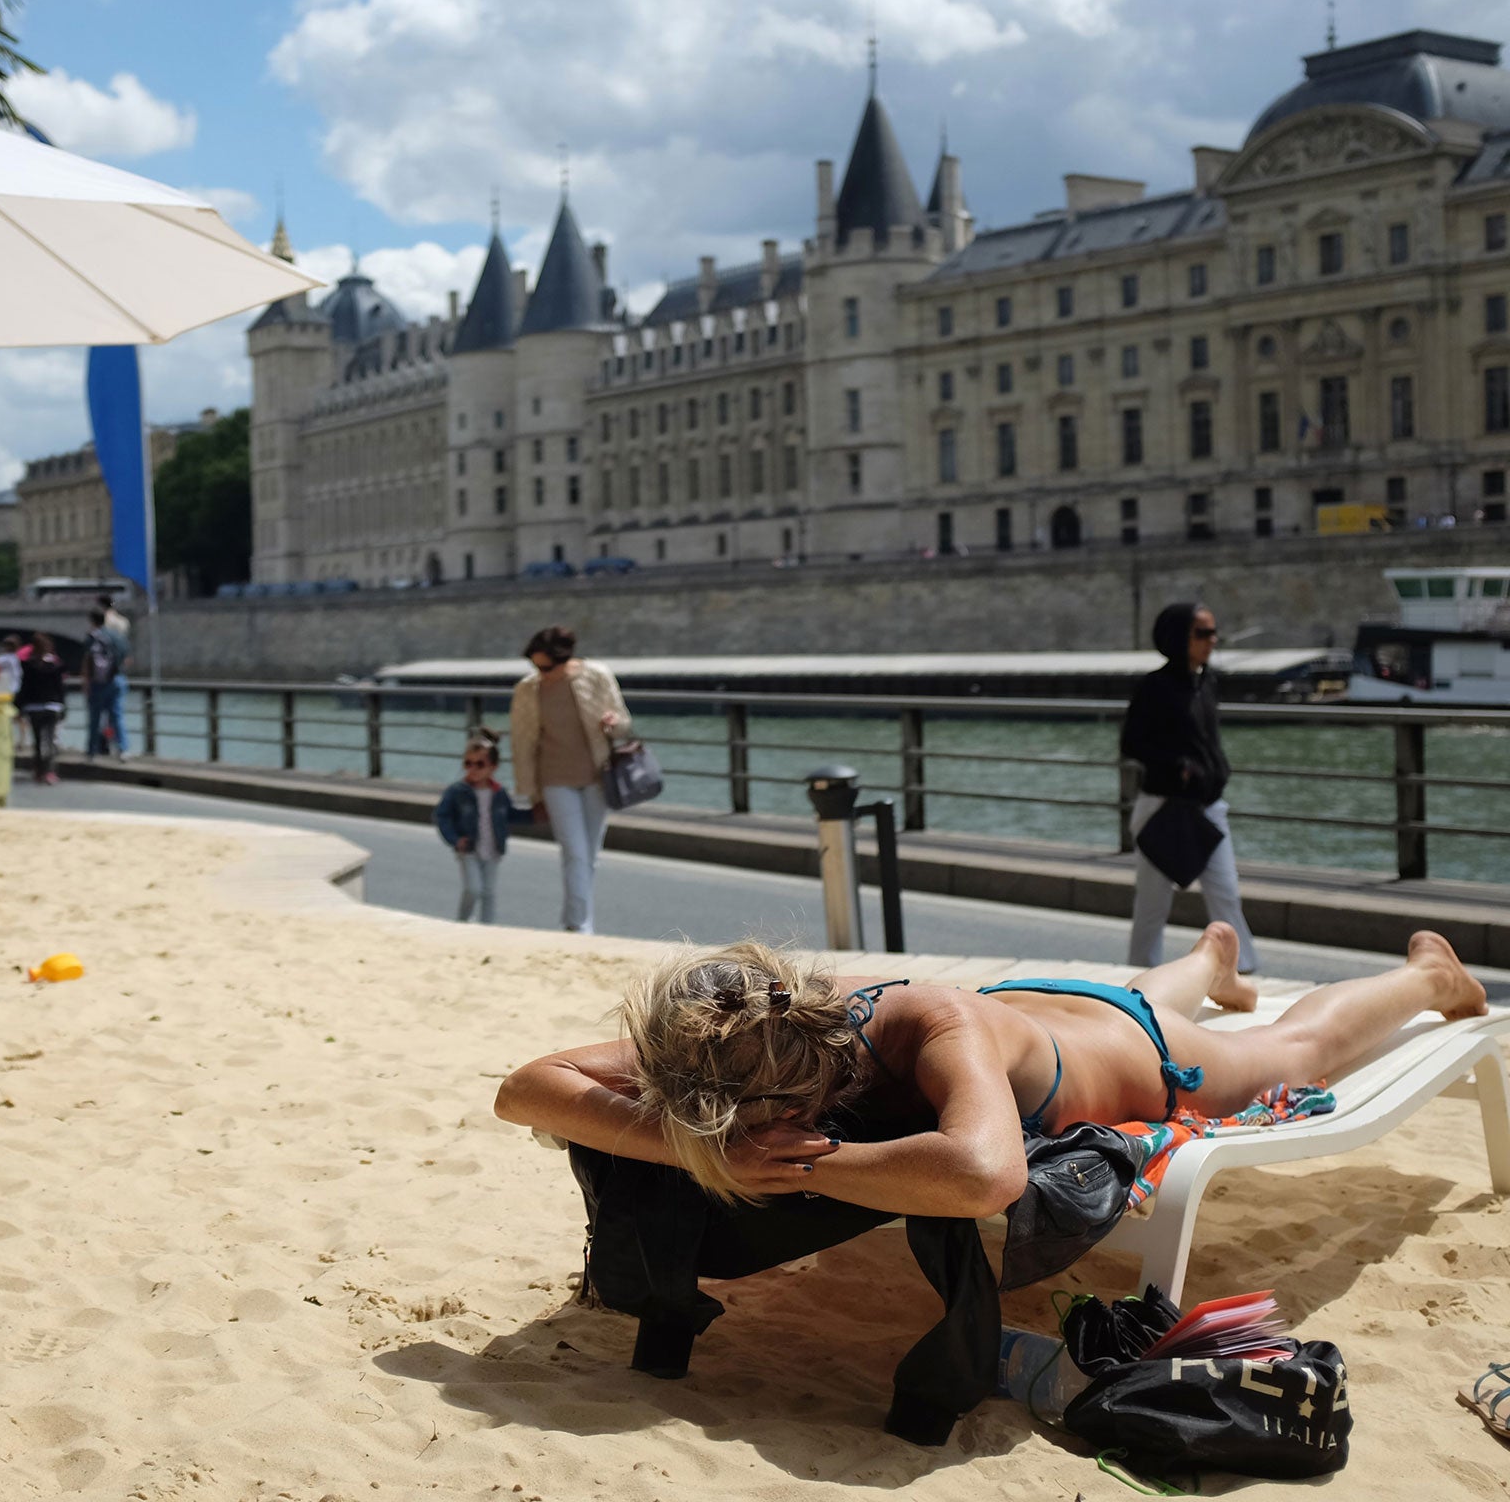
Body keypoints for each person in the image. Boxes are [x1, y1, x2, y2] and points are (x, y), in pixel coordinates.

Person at [496, 928, 1488, 1427]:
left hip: (1131, 1051)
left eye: (761, 1126)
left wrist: (824, 1162)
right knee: (1126, 995)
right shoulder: (750, 1027)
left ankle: (1427, 977)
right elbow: (525, 1087)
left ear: (805, 1095)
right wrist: (706, 1149)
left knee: (1289, 1044)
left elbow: (982, 1174)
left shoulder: (925, 1028)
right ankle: (1205, 958)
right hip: (1032, 1008)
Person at [1121, 602, 1256, 972]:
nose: (1212, 640)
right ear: (1178, 637)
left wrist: (1216, 769)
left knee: (1226, 893)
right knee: (1152, 905)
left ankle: (1242, 970)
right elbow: (1132, 744)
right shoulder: (1154, 687)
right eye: (1202, 633)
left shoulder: (1207, 681)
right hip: (1163, 809)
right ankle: (1139, 974)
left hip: (1207, 808)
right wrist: (1177, 765)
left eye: (1214, 632)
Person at [508, 625, 630, 933]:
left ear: (565, 659)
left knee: (589, 856)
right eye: (536, 666)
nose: (541, 672)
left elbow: (623, 723)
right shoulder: (528, 689)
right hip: (555, 779)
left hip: (598, 778)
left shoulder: (596, 676)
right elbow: (521, 743)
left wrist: (613, 723)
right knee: (574, 852)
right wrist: (530, 793)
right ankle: (578, 927)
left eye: (546, 666)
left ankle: (577, 920)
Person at [433, 728, 513, 924]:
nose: (473, 769)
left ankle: (487, 929)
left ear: (493, 767)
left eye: (480, 764)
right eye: (468, 763)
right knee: (473, 888)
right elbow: (442, 816)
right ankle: (462, 921)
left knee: (489, 892)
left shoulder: (499, 793)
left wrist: (536, 814)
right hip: (468, 847)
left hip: (493, 847)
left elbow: (510, 815)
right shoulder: (457, 791)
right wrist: (454, 839)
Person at [15, 633, 65, 785]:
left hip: (34, 707)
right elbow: (60, 688)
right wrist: (63, 706)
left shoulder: (29, 666)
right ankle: (49, 771)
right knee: (49, 740)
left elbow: (25, 688)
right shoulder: (55, 665)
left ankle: (38, 771)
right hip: (52, 706)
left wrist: (18, 705)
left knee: (37, 742)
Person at [83, 608, 127, 758]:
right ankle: (122, 749)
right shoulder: (117, 636)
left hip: (97, 682)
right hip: (117, 679)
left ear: (92, 621)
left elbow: (87, 662)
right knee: (117, 716)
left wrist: (86, 683)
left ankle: (92, 752)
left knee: (95, 718)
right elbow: (126, 657)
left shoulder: (92, 637)